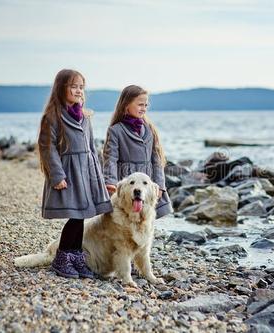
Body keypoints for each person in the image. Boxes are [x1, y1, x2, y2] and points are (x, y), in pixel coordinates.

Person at [37, 69, 112, 279]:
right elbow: (48, 147)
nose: (78, 90)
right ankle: (62, 258)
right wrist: (57, 175)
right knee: (76, 215)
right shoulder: (52, 117)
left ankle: (76, 257)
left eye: (81, 86)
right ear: (62, 88)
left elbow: (91, 145)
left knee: (83, 215)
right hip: (69, 172)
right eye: (73, 86)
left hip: (87, 170)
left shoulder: (85, 116)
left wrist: (98, 171)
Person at [102, 85, 173, 218]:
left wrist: (160, 185)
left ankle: (144, 238)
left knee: (147, 215)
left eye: (146, 105)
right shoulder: (116, 130)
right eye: (140, 104)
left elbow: (157, 160)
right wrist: (110, 181)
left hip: (147, 180)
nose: (144, 108)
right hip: (128, 180)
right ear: (126, 104)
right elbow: (110, 159)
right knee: (126, 215)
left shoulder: (149, 129)